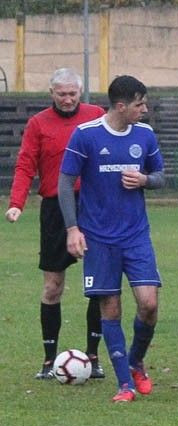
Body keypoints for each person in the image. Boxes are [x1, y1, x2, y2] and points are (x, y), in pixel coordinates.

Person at [58, 75, 164, 403]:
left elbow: (160, 176)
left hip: (135, 235)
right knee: (111, 308)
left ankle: (135, 362)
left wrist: (146, 179)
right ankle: (124, 385)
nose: (144, 110)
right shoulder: (86, 135)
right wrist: (72, 229)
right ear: (120, 106)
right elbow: (65, 183)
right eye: (139, 104)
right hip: (100, 238)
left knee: (149, 304)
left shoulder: (144, 135)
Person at [6, 69, 107, 380]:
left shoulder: (96, 116)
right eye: (61, 94)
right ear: (51, 94)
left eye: (72, 94)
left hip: (93, 208)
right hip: (54, 210)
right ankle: (49, 361)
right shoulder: (38, 124)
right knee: (53, 287)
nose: (67, 99)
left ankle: (94, 357)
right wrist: (16, 203)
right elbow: (25, 164)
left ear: (80, 92)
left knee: (100, 287)